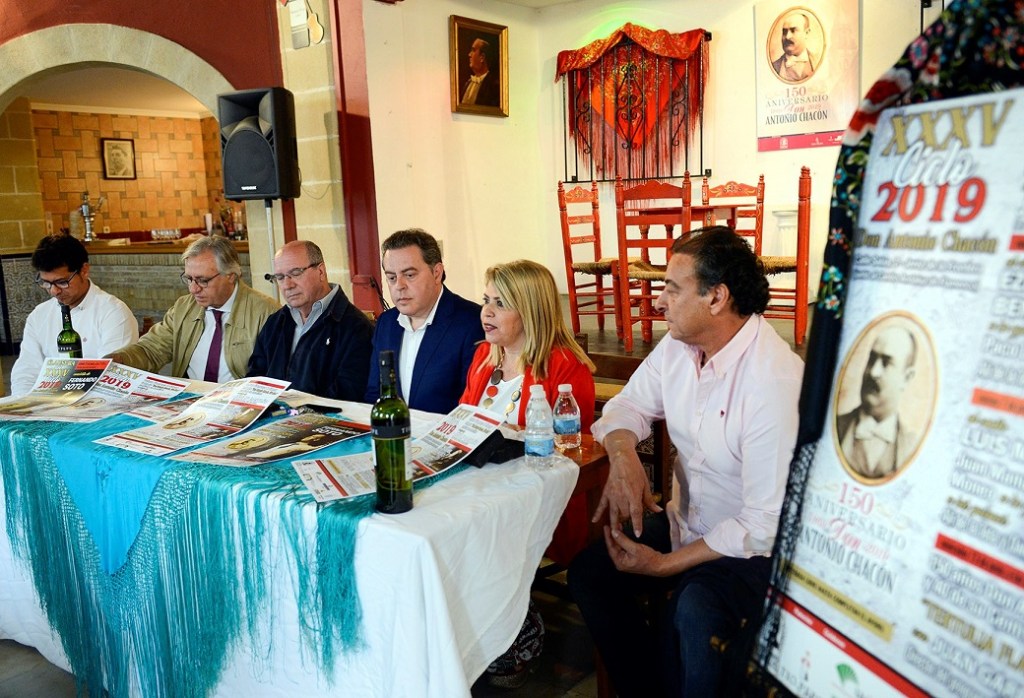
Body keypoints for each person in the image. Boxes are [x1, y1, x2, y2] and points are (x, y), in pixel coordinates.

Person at [567, 227, 804, 697]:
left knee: (695, 608)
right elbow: (626, 407)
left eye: (672, 289)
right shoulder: (679, 346)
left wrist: (665, 565)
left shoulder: (772, 381)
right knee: (592, 572)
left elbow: (763, 524)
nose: (659, 302)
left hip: (755, 552)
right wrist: (624, 455)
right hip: (688, 521)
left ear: (716, 296)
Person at [459, 259, 596, 688]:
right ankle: (468, 635)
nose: (486, 312)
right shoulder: (483, 358)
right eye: (486, 300)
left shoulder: (564, 366)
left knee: (475, 534)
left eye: (501, 304)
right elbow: (463, 421)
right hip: (481, 488)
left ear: (532, 309)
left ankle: (516, 633)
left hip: (541, 498)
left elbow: (570, 451)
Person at [109, 236, 279, 382]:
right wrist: (118, 360)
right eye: (189, 279)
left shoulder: (267, 313)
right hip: (190, 401)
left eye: (203, 280)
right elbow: (151, 350)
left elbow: (273, 375)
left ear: (230, 276)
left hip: (239, 403)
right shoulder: (184, 307)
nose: (193, 289)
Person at [365, 229, 482, 413]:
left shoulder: (472, 322)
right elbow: (374, 394)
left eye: (409, 275)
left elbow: (471, 406)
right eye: (392, 277)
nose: (399, 286)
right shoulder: (386, 323)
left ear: (436, 273)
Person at [11, 234, 138, 396]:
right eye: (46, 283)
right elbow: (26, 371)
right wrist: (24, 403)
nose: (54, 291)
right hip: (47, 404)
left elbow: (112, 377)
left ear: (84, 271)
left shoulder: (113, 312)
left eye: (62, 282)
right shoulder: (39, 315)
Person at [247, 240, 373, 401]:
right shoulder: (275, 322)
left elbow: (348, 394)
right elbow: (255, 378)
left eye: (296, 273)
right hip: (272, 414)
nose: (287, 285)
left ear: (321, 271)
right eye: (280, 277)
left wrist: (292, 410)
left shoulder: (357, 328)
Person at [836, 325, 920, 479]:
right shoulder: (835, 426)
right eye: (872, 359)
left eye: (886, 363)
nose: (874, 372)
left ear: (906, 378)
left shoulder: (913, 447)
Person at [771, 10, 818, 82]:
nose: (787, 36)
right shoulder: (774, 67)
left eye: (793, 30)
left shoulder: (819, 62)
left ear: (806, 33)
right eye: (784, 32)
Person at [460, 37, 500, 107]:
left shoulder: (494, 86)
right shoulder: (467, 83)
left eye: (473, 50)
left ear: (482, 57)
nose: (469, 54)